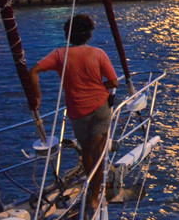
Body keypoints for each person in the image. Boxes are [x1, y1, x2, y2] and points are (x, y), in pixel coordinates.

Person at [28, 14, 118, 208]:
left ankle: (91, 189)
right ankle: (95, 195)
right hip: (100, 107)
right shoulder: (98, 53)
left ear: (67, 35)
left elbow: (33, 71)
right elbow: (113, 82)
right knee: (99, 152)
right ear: (89, 35)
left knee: (87, 152)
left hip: (77, 110)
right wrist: (98, 85)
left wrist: (37, 97)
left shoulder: (59, 55)